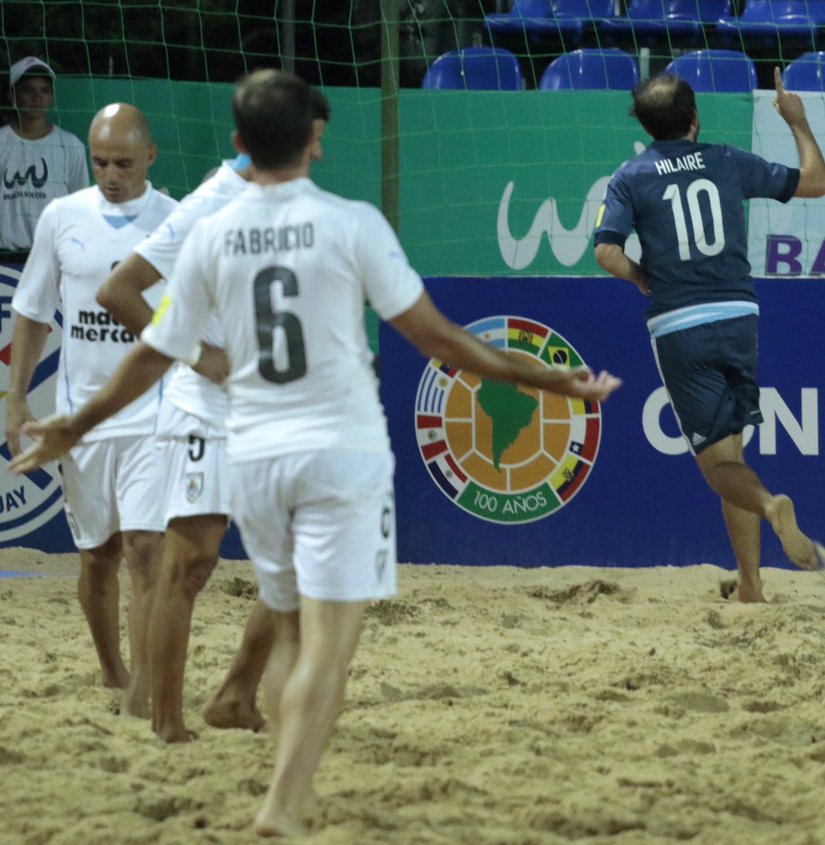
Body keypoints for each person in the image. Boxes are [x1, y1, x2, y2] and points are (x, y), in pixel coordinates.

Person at [9, 69, 620, 837]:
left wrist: (73, 418)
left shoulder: (219, 231)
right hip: (319, 439)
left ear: (237, 144)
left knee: (248, 595)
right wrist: (544, 376)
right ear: (316, 141)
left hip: (262, 445)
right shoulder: (339, 222)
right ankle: (274, 789)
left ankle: (235, 700)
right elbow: (438, 340)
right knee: (310, 627)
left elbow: (151, 354)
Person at [93, 89, 332, 745]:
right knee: (188, 568)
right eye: (308, 137)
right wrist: (197, 354)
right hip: (206, 415)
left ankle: (233, 694)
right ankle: (167, 724)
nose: (316, 149)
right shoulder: (212, 201)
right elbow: (116, 291)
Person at [593, 68, 825, 607]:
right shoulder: (727, 160)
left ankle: (770, 506)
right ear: (695, 118)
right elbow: (816, 182)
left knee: (718, 468)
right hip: (738, 317)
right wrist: (799, 123)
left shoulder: (629, 176)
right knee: (732, 452)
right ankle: (752, 587)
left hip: (680, 326)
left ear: (644, 125)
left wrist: (641, 275)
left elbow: (605, 252)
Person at [5, 103, 176, 717]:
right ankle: (113, 671)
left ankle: (144, 693)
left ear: (150, 158)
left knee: (148, 553)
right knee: (98, 557)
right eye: (101, 162)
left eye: (124, 163)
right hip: (83, 422)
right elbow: (31, 311)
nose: (111, 173)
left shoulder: (175, 224)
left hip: (155, 419)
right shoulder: (62, 217)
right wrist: (16, 395)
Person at [0, 57, 89, 257]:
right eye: (29, 90)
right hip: (4, 257)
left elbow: (79, 208)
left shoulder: (71, 146)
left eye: (44, 90)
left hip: (52, 257)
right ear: (12, 96)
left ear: (52, 97)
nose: (37, 97)